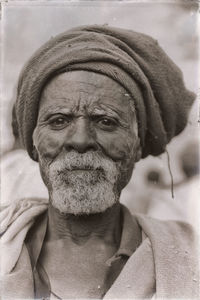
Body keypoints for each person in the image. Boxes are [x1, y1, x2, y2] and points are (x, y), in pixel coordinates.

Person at [1, 25, 199, 299]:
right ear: (33, 142)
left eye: (106, 121)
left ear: (138, 143)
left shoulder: (190, 257)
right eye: (59, 120)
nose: (80, 140)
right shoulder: (5, 240)